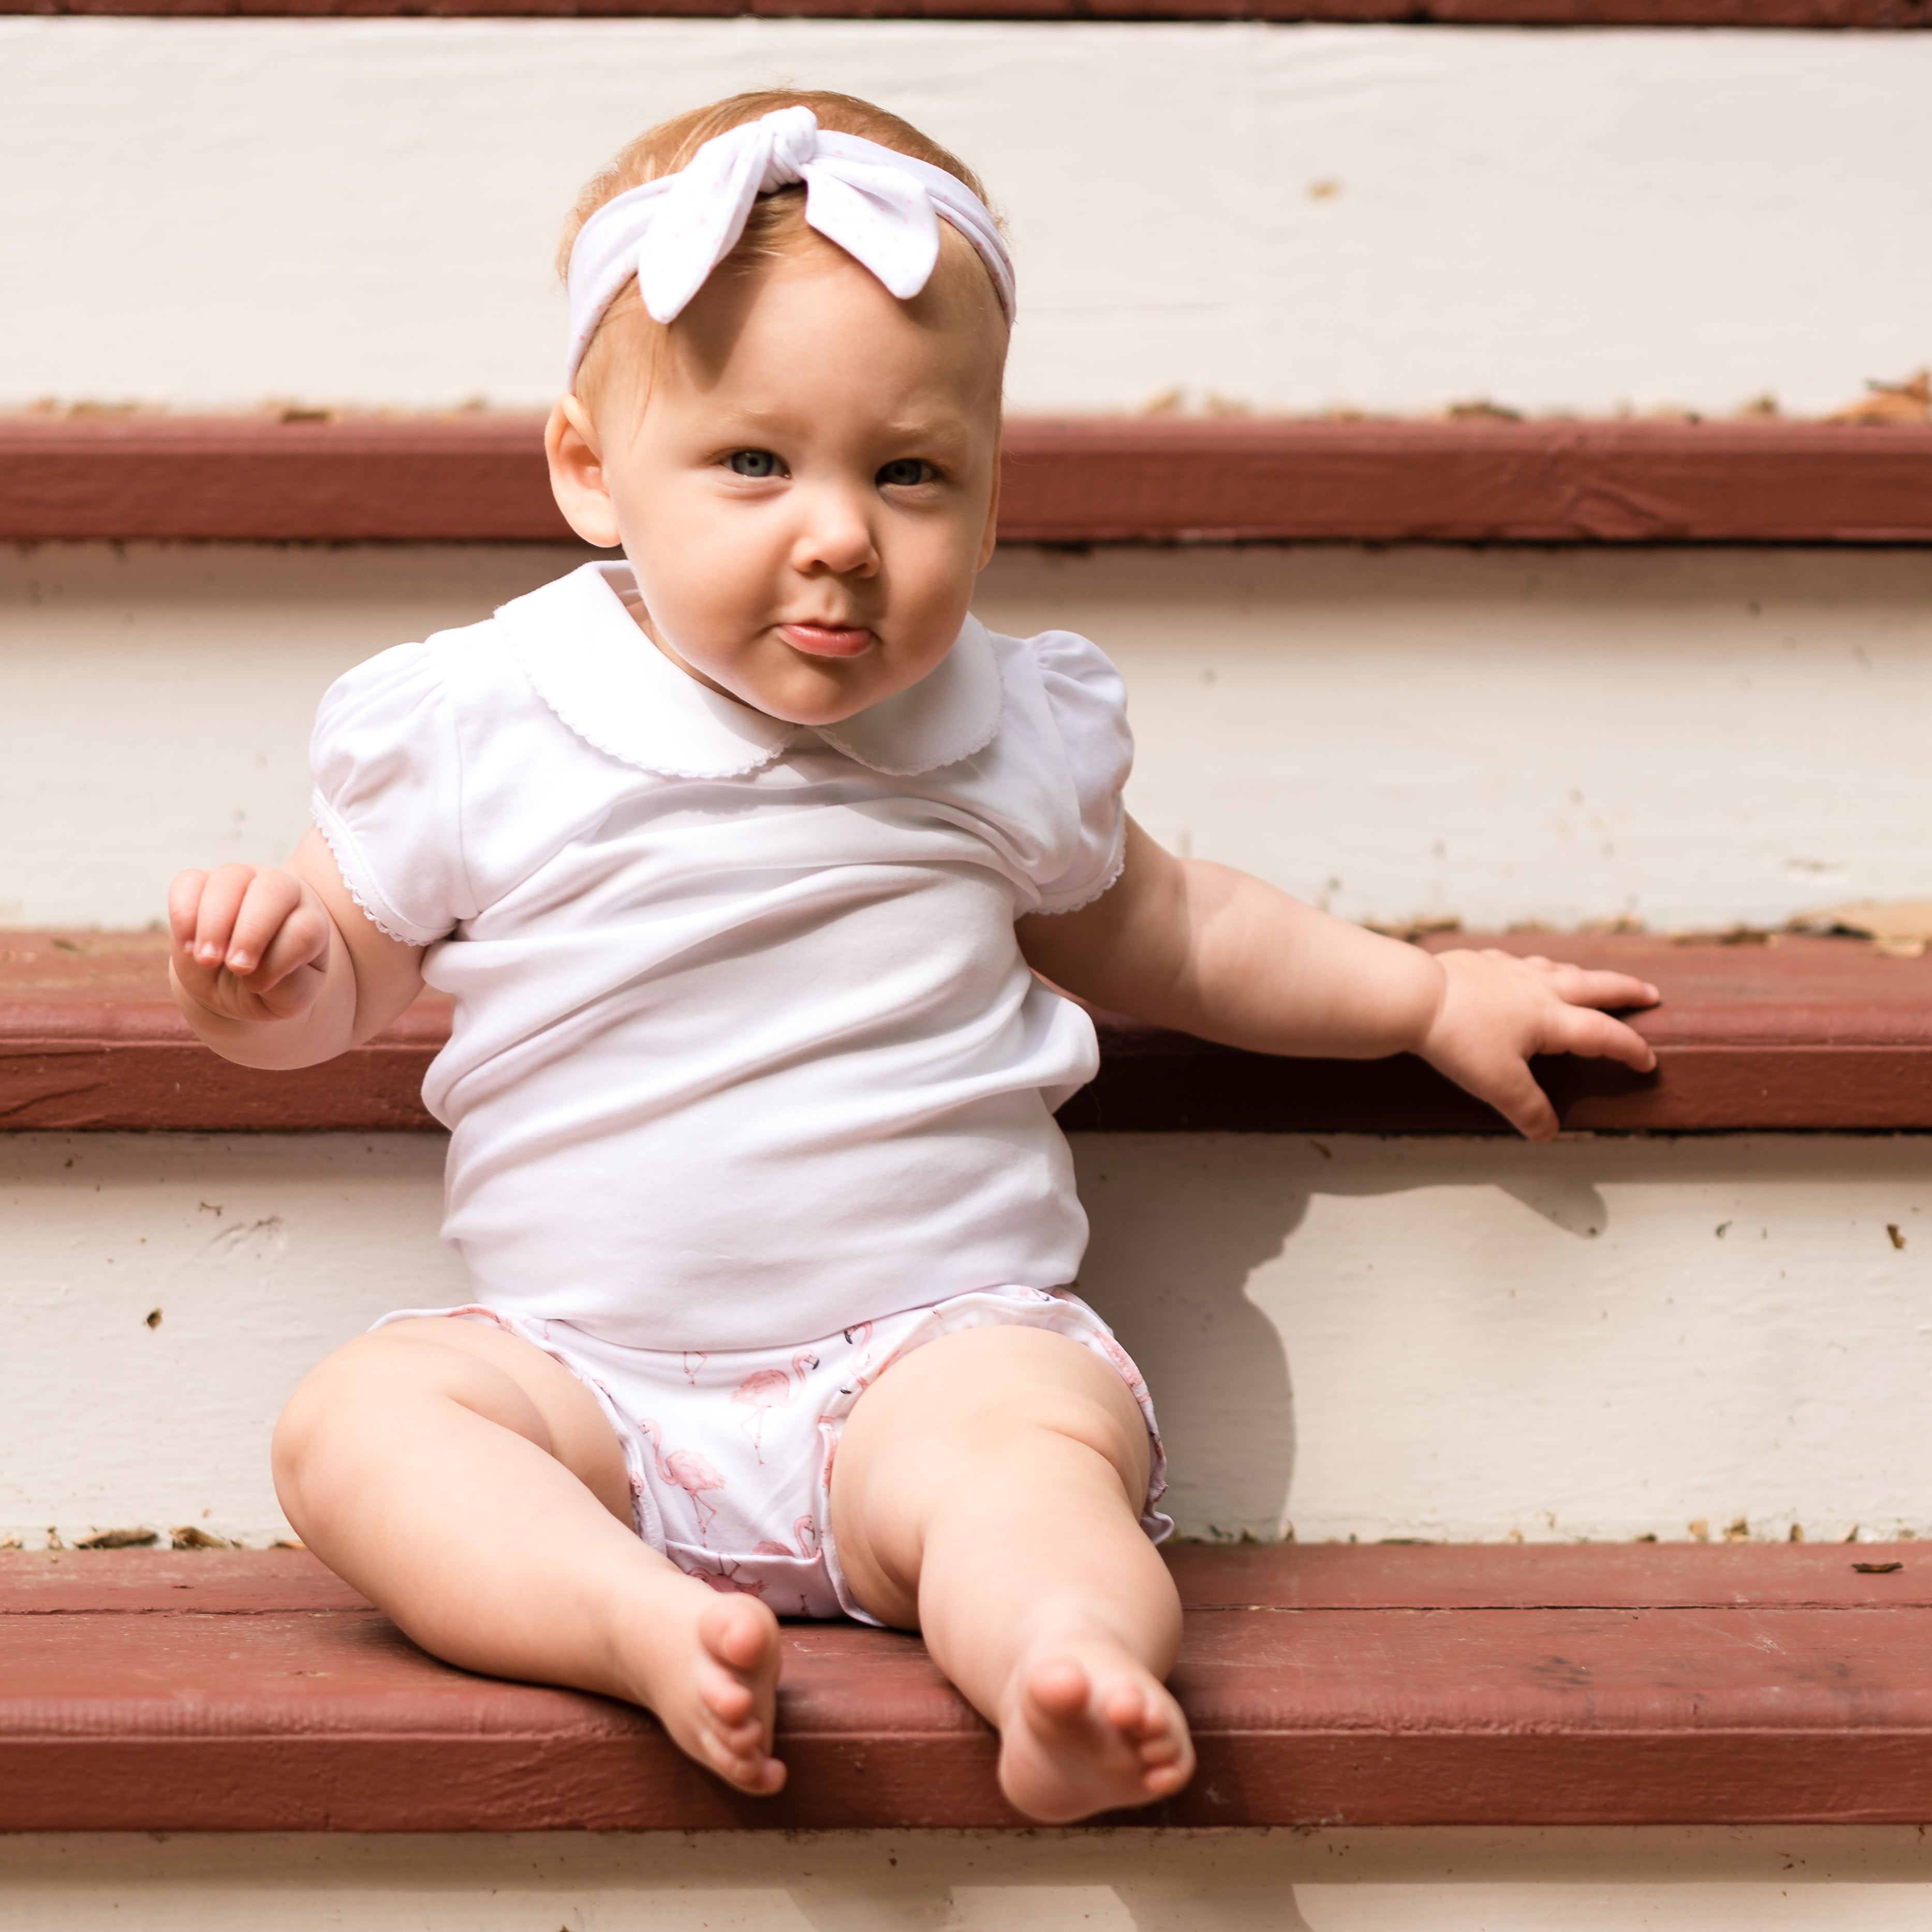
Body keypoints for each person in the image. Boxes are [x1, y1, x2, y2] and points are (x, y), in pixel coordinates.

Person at [166, 90, 1660, 1824]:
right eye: (752, 461)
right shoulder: (484, 717)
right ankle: (631, 1620)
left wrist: (1424, 994)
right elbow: (344, 968)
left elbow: (1176, 930)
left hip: (924, 1359)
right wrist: (265, 990)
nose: (838, 534)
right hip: (584, 1379)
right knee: (360, 1426)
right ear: (592, 469)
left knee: (1033, 1468)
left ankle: (1061, 1669)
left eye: (909, 471)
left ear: (992, 487)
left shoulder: (1000, 728)